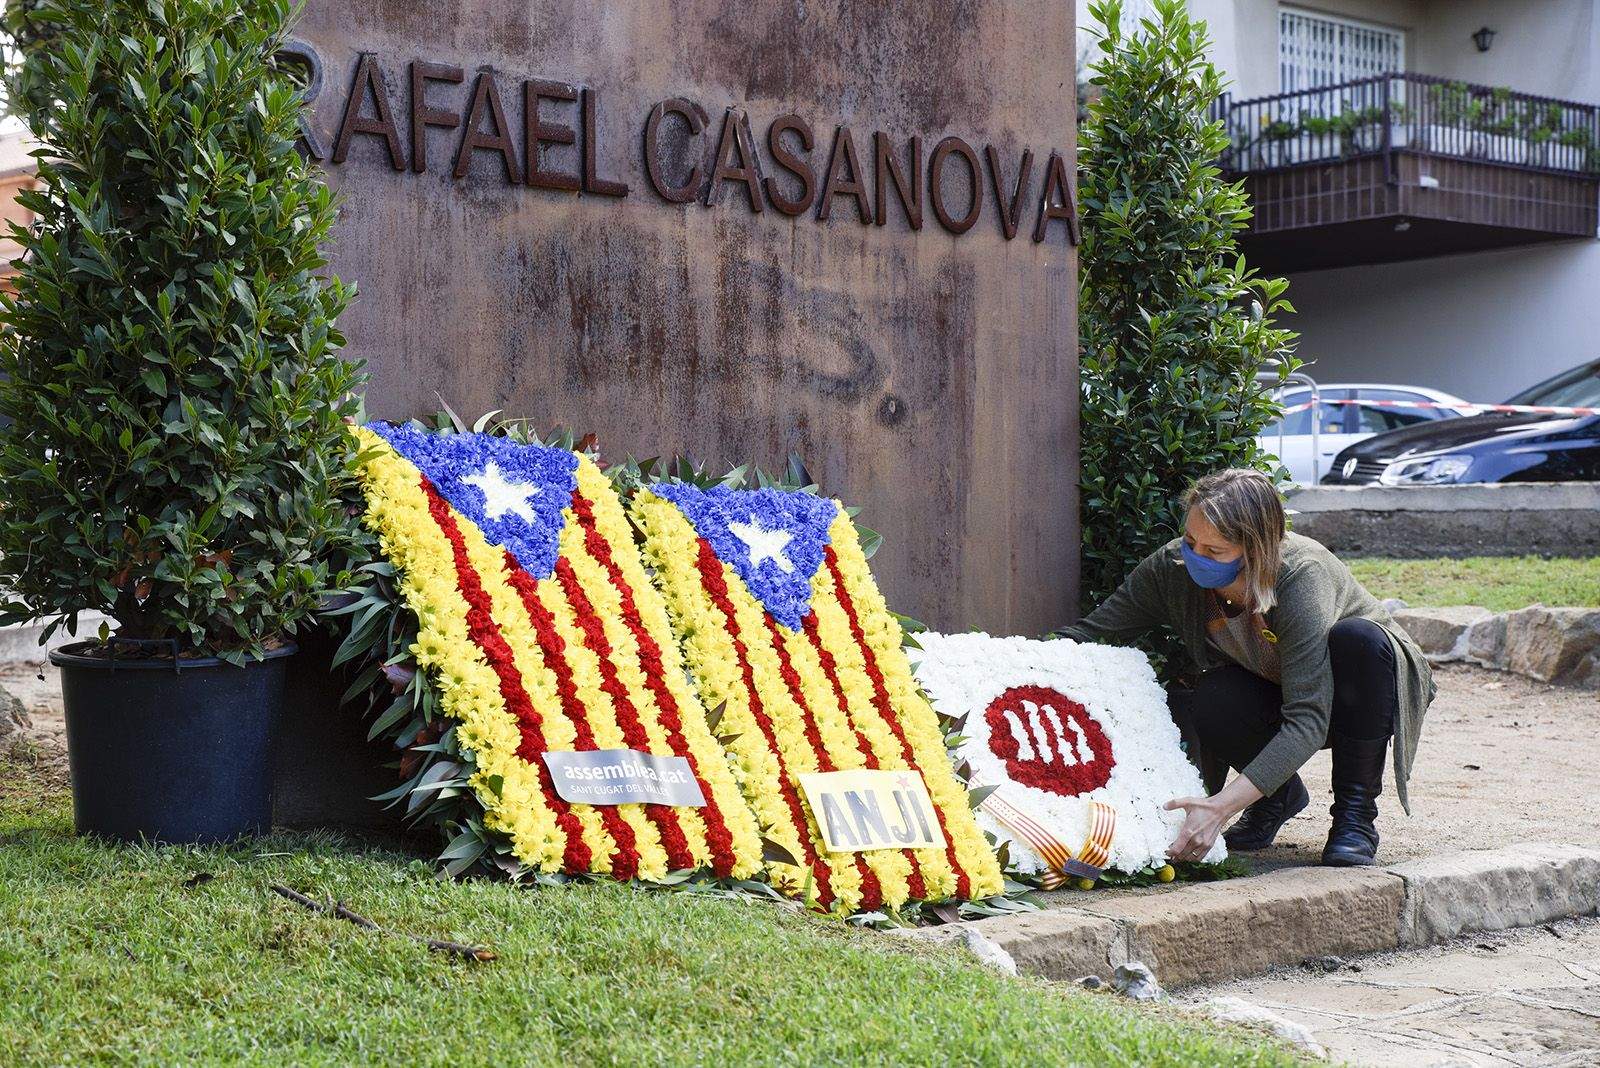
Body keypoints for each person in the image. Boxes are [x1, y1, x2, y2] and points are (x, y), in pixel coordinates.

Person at [1056, 469, 1433, 866]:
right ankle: (1278, 795)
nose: (1195, 557)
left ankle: (1355, 818)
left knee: (1359, 640)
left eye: (1215, 551)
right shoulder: (1173, 568)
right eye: (1190, 541)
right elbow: (1093, 631)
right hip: (1279, 686)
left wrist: (1220, 807)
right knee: (1213, 695)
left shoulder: (1300, 575)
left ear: (1255, 549)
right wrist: (1019, 659)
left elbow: (1309, 716)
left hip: (1360, 694)